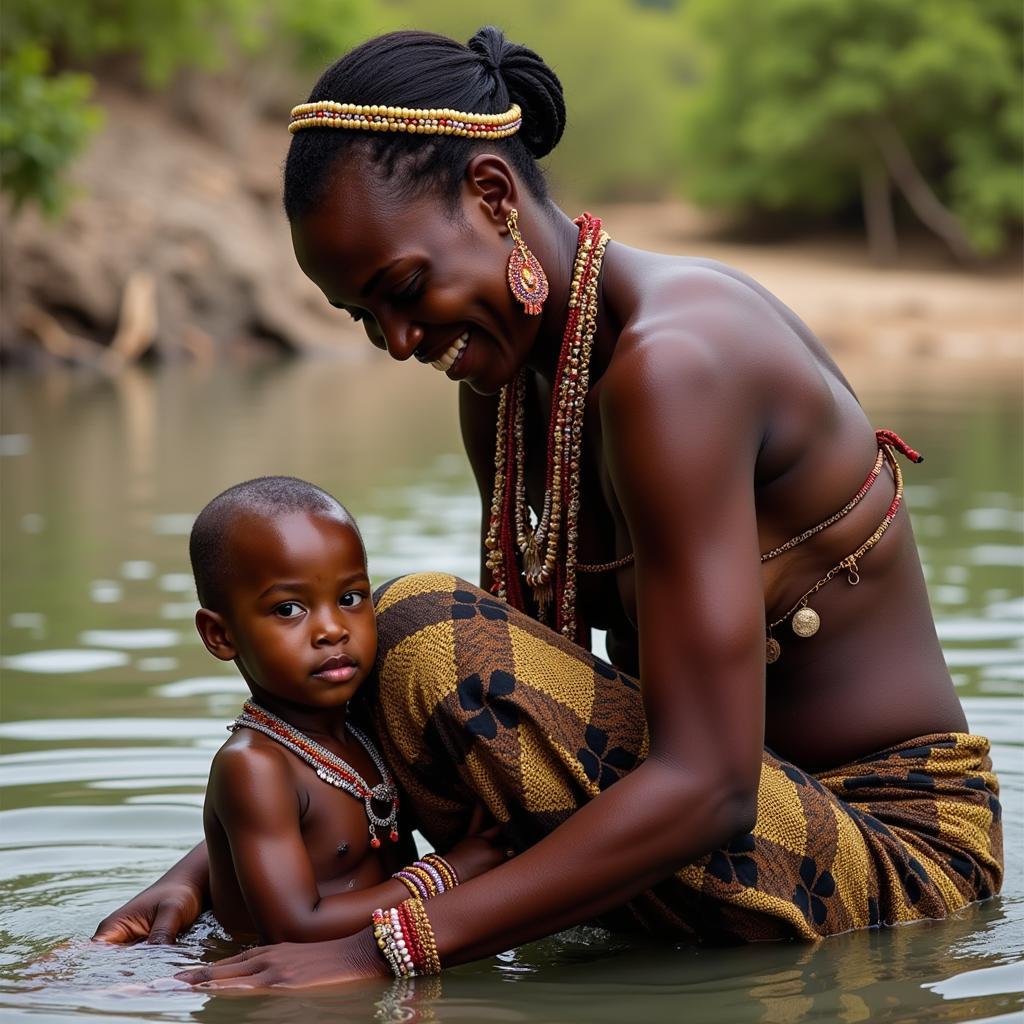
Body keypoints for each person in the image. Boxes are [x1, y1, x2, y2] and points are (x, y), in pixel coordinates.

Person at [95, 28, 1002, 987]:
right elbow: (511, 705)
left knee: (417, 633)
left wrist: (380, 953)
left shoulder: (677, 366)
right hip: (721, 832)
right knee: (390, 652)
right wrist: (206, 872)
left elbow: (712, 784)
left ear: (492, 197)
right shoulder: (504, 384)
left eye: (404, 289)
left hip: (894, 856)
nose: (398, 341)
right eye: (363, 318)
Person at [96, 476, 503, 948]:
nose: (332, 629)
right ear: (220, 636)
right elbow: (294, 928)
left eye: (350, 599)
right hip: (275, 990)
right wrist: (450, 871)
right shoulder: (254, 767)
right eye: (289, 609)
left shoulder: (370, 727)